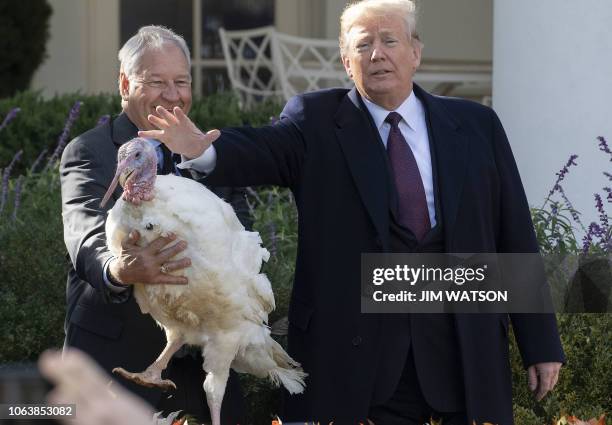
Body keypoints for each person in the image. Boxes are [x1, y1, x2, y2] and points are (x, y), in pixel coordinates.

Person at [141, 1, 565, 424]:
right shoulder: (316, 120)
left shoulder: (476, 125)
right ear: (347, 61)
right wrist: (203, 149)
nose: (377, 54)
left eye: (389, 41)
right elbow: (263, 148)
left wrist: (541, 344)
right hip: (358, 365)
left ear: (415, 52)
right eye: (363, 45)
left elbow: (515, 234)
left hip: (462, 358)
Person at [59, 25, 246, 424]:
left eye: (181, 81)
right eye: (157, 82)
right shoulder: (90, 150)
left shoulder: (209, 152)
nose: (173, 94)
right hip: (117, 361)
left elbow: (243, 235)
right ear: (125, 84)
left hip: (203, 366)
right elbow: (85, 229)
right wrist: (119, 267)